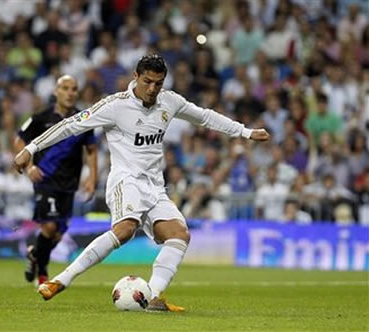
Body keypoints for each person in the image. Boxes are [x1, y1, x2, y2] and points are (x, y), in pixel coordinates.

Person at [14, 54, 270, 312]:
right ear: (135, 77)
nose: (152, 89)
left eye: (158, 83)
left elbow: (204, 117)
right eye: (147, 81)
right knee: (125, 229)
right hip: (125, 180)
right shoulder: (115, 105)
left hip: (154, 185)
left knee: (179, 235)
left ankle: (154, 297)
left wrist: (245, 132)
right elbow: (70, 125)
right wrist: (32, 147)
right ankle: (60, 280)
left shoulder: (169, 101)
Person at [15, 75, 97, 285]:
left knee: (58, 235)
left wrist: (92, 177)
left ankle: (35, 254)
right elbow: (20, 141)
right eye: (66, 88)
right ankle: (42, 273)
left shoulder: (84, 119)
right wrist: (29, 166)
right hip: (45, 179)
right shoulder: (40, 118)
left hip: (69, 184)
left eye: (74, 89)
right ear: (56, 91)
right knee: (49, 227)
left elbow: (91, 149)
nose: (70, 93)